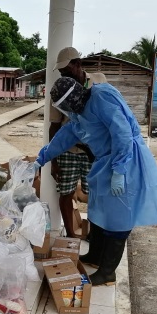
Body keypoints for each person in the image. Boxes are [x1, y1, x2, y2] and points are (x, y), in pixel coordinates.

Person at [36, 77, 157, 286]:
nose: (66, 111)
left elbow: (123, 134)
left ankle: (107, 272)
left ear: (72, 99)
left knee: (118, 217)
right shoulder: (79, 112)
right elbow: (66, 135)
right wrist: (41, 158)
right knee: (98, 211)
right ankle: (95, 255)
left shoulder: (101, 98)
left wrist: (119, 170)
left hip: (126, 161)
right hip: (104, 162)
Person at [49, 47, 103, 238]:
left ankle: (94, 233)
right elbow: (54, 126)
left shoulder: (99, 80)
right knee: (66, 192)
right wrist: (53, 161)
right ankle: (71, 236)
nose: (64, 75)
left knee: (96, 194)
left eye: (67, 70)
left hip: (94, 152)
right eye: (61, 72)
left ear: (78, 64)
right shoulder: (59, 90)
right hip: (68, 151)